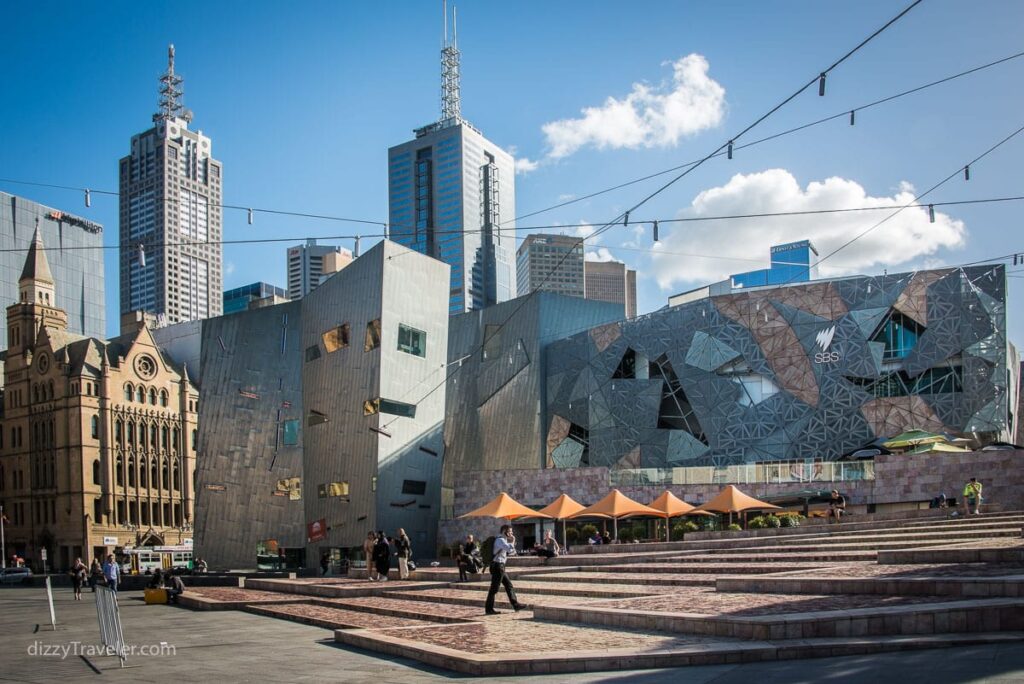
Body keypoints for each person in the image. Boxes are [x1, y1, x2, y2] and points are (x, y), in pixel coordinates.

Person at [484, 524, 522, 615]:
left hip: (500, 566)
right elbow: (509, 549)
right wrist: (513, 541)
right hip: (498, 566)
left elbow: (511, 552)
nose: (512, 533)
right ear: (505, 531)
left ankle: (515, 604)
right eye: (510, 531)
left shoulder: (503, 540)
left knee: (509, 585)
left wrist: (512, 544)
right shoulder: (500, 540)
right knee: (494, 589)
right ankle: (488, 609)